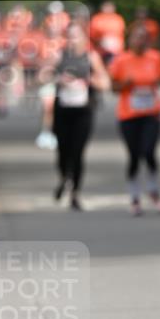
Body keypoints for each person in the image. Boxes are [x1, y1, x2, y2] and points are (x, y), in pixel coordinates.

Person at [108, 24, 160, 215]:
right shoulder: (121, 60)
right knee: (134, 154)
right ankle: (134, 196)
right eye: (136, 37)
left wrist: (156, 82)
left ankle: (152, 189)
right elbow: (113, 88)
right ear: (129, 39)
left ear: (148, 40)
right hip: (128, 115)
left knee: (149, 151)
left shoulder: (155, 57)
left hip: (151, 113)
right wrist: (124, 84)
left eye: (143, 37)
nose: (139, 41)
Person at [52, 22, 109, 210]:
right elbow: (41, 76)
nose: (71, 40)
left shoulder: (91, 57)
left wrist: (87, 80)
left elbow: (105, 83)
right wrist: (58, 79)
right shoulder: (59, 56)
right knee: (62, 151)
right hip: (62, 110)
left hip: (83, 112)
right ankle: (64, 177)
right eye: (68, 36)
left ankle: (75, 193)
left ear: (84, 38)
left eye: (75, 36)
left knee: (77, 152)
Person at [89, 0, 126, 66]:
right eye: (106, 7)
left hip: (116, 51)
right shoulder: (97, 19)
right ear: (102, 8)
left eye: (110, 7)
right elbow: (93, 35)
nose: (108, 9)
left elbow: (121, 34)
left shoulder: (118, 19)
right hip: (100, 50)